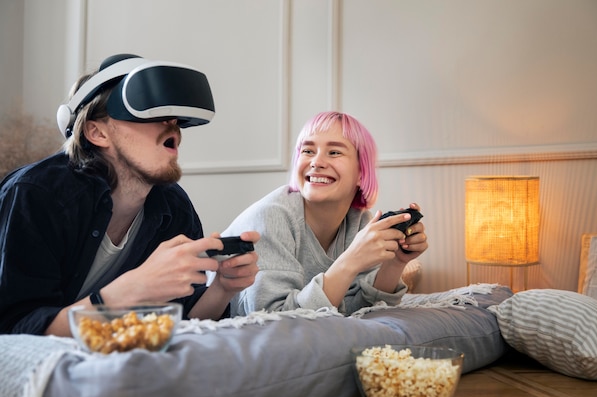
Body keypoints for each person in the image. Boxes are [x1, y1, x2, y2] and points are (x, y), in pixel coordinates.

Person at [0, 53, 259, 336]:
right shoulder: (36, 195)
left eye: (172, 117)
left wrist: (222, 288)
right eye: (152, 114)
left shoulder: (173, 205)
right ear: (97, 133)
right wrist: (130, 290)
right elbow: (15, 331)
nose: (172, 124)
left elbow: (183, 321)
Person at [218, 111, 427, 317]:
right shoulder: (270, 218)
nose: (316, 162)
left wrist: (395, 263)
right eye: (308, 151)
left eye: (334, 152)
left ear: (361, 172)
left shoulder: (358, 221)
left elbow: (360, 312)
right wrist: (350, 261)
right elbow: (273, 322)